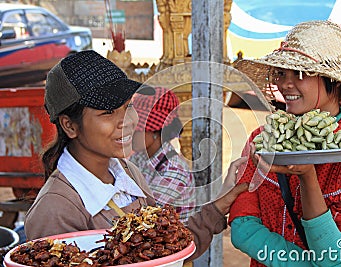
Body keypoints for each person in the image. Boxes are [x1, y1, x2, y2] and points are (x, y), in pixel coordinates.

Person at [23, 50, 249, 262]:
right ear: (69, 126)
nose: (128, 122)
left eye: (128, 106)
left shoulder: (127, 173)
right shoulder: (56, 210)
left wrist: (220, 204)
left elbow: (168, 249)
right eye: (108, 112)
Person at [228, 20, 341, 267]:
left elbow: (338, 260)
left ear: (337, 83)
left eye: (302, 74)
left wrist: (307, 177)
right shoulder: (262, 140)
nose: (286, 84)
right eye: (282, 73)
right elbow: (243, 228)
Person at [130, 87, 195, 224]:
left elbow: (142, 216)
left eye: (137, 129)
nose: (130, 134)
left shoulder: (174, 171)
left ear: (155, 131)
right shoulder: (139, 157)